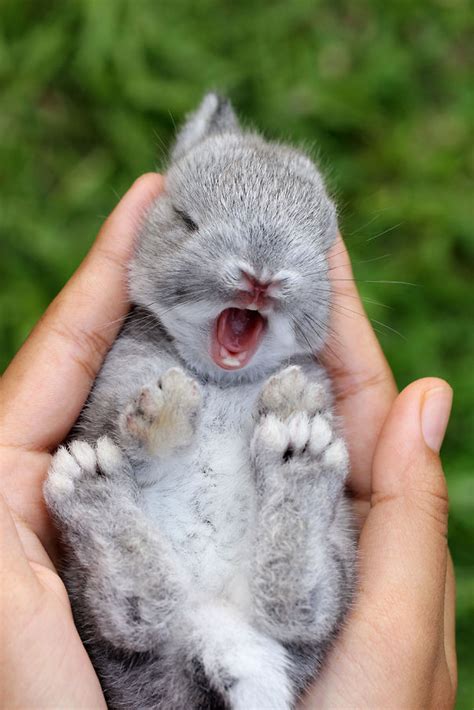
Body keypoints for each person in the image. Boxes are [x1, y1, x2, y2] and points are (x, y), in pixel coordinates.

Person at [0, 173, 456, 709]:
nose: (260, 276)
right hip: (247, 630)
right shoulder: (139, 346)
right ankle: (283, 525)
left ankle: (121, 527)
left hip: (181, 649)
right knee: (279, 489)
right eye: (193, 224)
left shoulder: (299, 373)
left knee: (141, 619)